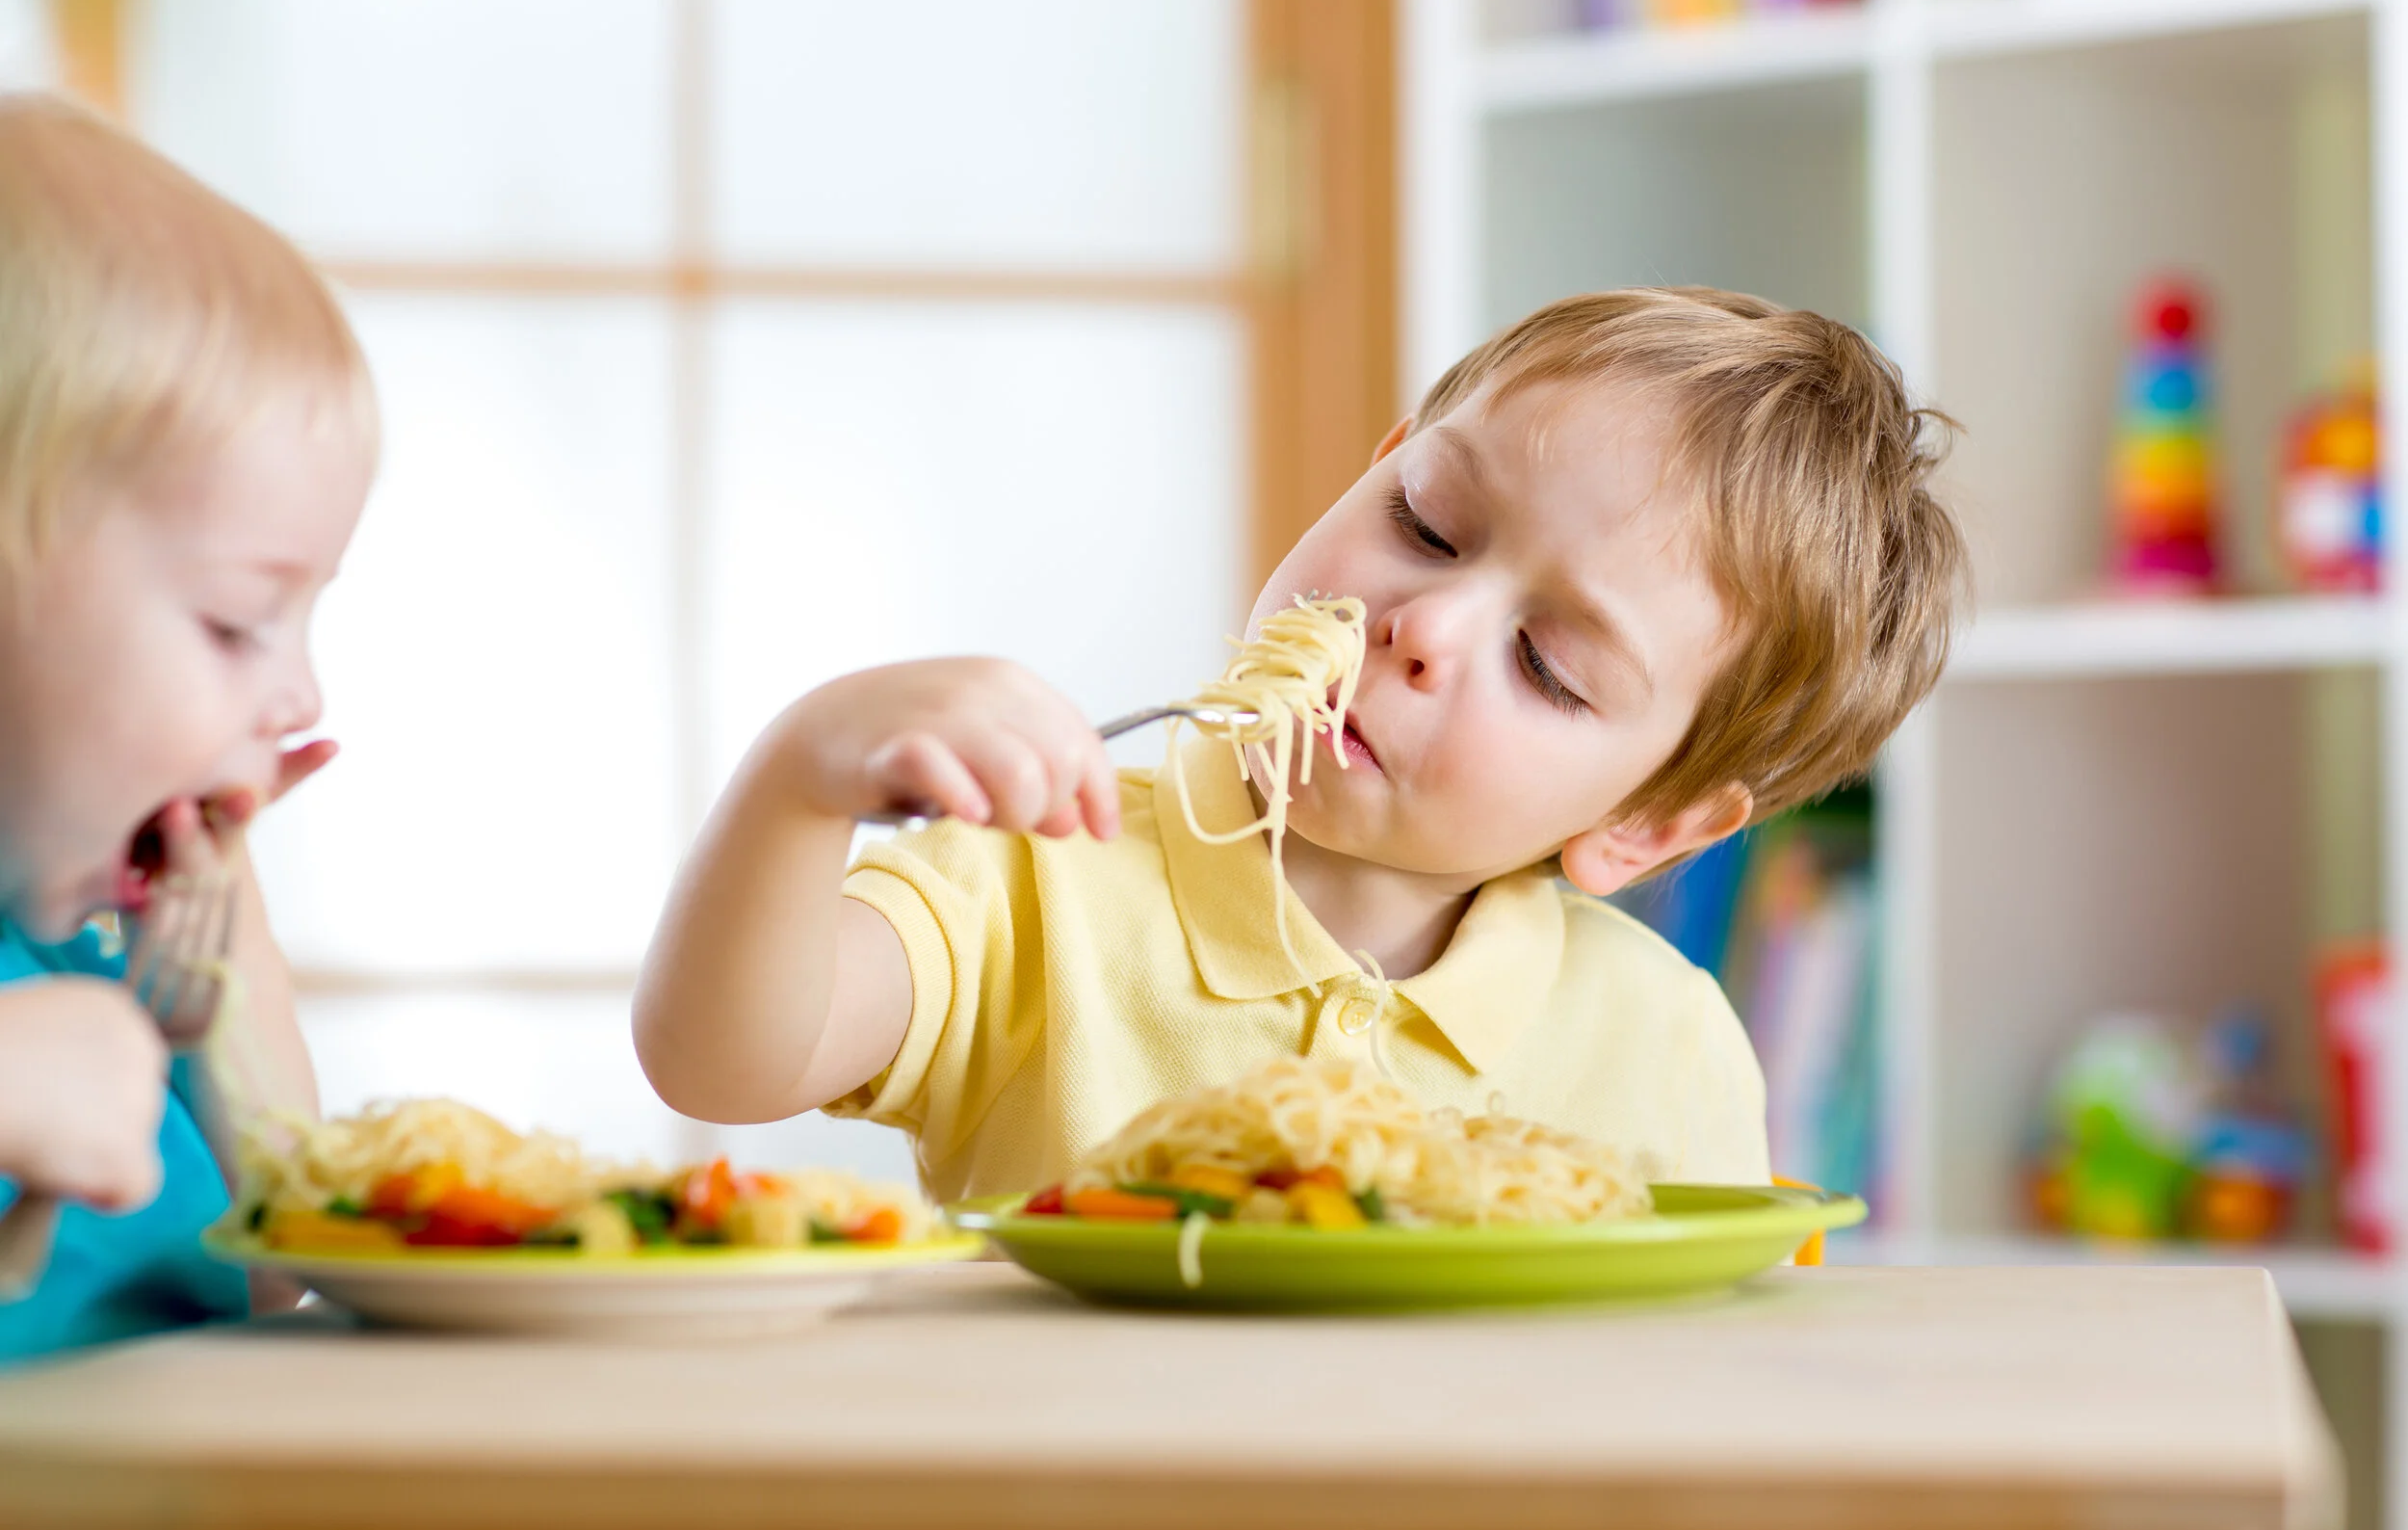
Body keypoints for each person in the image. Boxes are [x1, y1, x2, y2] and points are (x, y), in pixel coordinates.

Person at [636, 287, 1966, 1200]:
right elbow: (721, 1058)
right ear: (1377, 463)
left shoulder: (1664, 1039)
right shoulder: (1035, 885)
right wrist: (804, 774)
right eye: (1429, 523)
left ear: (1652, 823)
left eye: (1547, 665)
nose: (1425, 623)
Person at [0, 97, 374, 1360]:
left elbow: (283, 1282)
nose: (300, 700)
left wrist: (234, 1011)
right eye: (233, 624)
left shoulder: (104, 946)